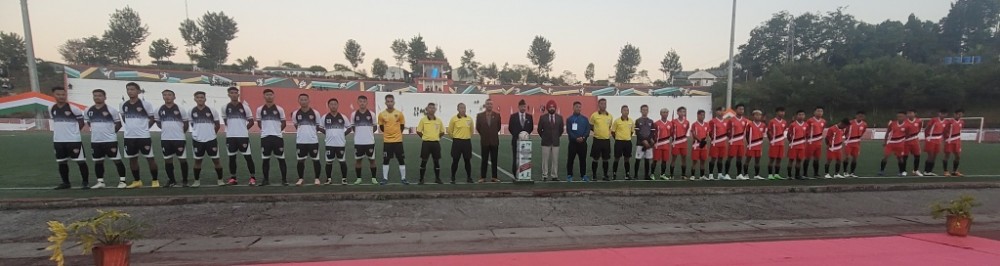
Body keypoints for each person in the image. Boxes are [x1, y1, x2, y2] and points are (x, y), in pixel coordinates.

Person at [86, 89, 128, 189]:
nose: (97, 97)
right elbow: (89, 123)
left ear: (105, 97)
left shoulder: (111, 110)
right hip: (95, 141)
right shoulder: (88, 110)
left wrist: (111, 133)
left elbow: (118, 124)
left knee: (117, 160)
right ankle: (100, 182)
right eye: (95, 95)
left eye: (99, 95)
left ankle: (122, 181)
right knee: (98, 161)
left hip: (110, 141)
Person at [50, 86, 89, 189]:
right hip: (58, 140)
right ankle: (66, 183)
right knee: (61, 162)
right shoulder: (51, 108)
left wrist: (74, 133)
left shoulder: (73, 108)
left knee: (80, 161)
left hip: (73, 140)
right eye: (58, 94)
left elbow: (81, 123)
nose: (61, 96)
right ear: (53, 95)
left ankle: (85, 182)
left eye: (63, 94)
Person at [120, 82, 158, 188]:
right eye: (128, 89)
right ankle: (137, 181)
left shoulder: (146, 104)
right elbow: (124, 118)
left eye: (132, 89)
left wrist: (145, 128)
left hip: (143, 137)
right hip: (129, 137)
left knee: (150, 158)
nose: (130, 91)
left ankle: (155, 180)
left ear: (138, 91)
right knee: (132, 159)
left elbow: (152, 118)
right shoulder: (123, 104)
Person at [222, 87, 257, 185]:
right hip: (230, 137)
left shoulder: (245, 107)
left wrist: (243, 129)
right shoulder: (224, 107)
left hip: (243, 137)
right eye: (231, 93)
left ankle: (252, 178)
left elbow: (251, 121)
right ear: (228, 95)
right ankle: (233, 178)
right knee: (232, 158)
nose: (234, 94)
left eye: (235, 93)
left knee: (248, 157)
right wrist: (232, 129)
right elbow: (225, 121)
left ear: (238, 94)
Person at [155, 90, 190, 187]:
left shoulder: (180, 109)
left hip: (179, 139)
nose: (167, 97)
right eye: (165, 95)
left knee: (182, 160)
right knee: (167, 160)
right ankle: (172, 180)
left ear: (174, 97)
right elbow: (158, 123)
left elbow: (186, 124)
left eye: (169, 95)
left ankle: (185, 180)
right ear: (163, 97)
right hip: (165, 139)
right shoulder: (158, 109)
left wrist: (180, 133)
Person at [189, 91, 225, 187]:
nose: (200, 99)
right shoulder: (191, 111)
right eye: (198, 97)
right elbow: (192, 124)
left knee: (216, 160)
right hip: (197, 140)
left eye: (202, 97)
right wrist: (198, 133)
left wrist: (212, 134)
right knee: (197, 161)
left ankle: (220, 180)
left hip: (211, 140)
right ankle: (196, 181)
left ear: (205, 99)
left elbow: (217, 125)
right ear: (195, 99)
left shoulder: (212, 110)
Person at [257, 89, 288, 186]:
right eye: (267, 95)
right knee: (265, 160)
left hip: (277, 138)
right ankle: (265, 180)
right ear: (264, 96)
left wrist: (277, 131)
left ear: (273, 96)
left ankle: (284, 180)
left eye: (271, 94)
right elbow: (259, 123)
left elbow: (284, 123)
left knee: (281, 159)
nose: (269, 96)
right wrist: (265, 130)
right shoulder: (260, 109)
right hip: (265, 138)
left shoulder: (279, 109)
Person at [291, 94, 323, 186]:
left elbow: (318, 126)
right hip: (301, 141)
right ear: (299, 101)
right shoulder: (295, 113)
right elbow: (296, 125)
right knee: (300, 160)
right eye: (301, 99)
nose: (303, 101)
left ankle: (317, 179)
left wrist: (311, 133)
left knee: (315, 160)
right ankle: (301, 179)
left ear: (309, 101)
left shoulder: (315, 113)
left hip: (313, 141)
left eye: (305, 99)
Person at [378, 94, 408, 185]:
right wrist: (388, 134)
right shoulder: (381, 114)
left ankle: (403, 178)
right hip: (387, 141)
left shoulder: (399, 114)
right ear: (385, 103)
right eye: (388, 101)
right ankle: (385, 178)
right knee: (386, 160)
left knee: (401, 160)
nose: (390, 103)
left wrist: (397, 135)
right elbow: (381, 127)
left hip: (398, 141)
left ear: (394, 102)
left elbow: (402, 126)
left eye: (391, 101)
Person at [323, 98, 351, 185]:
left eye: (335, 104)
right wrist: (327, 133)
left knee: (342, 161)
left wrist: (343, 135)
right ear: (328, 106)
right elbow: (319, 127)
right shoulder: (325, 117)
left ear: (338, 105)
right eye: (331, 104)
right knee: (329, 162)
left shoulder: (343, 117)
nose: (333, 106)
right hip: (329, 144)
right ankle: (328, 179)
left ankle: (344, 179)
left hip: (340, 144)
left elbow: (349, 128)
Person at [351, 95, 379, 184]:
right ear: (358, 102)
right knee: (358, 160)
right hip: (358, 142)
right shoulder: (354, 114)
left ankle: (374, 178)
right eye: (360, 101)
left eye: (364, 101)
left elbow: (375, 127)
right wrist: (360, 134)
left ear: (367, 103)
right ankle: (359, 178)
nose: (362, 103)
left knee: (372, 160)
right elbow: (353, 127)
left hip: (369, 142)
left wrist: (368, 133)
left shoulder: (372, 114)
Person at [416, 103, 445, 184]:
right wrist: (424, 137)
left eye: (433, 108)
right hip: (426, 144)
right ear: (427, 109)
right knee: (424, 161)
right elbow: (418, 131)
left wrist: (436, 137)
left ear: (435, 110)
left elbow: (442, 132)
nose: (431, 109)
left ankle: (437, 179)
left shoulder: (439, 120)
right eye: (430, 108)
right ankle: (421, 179)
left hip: (436, 144)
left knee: (436, 161)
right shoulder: (423, 120)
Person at [537, 100, 564, 182]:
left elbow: (561, 130)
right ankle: (544, 175)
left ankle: (554, 175)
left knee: (555, 160)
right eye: (550, 107)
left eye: (553, 107)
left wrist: (556, 136)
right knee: (545, 160)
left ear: (555, 108)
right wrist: (544, 136)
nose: (552, 108)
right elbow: (539, 129)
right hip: (545, 142)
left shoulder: (559, 118)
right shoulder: (542, 117)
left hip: (556, 142)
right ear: (547, 108)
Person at [476, 99, 502, 183]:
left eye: (491, 104)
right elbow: (478, 128)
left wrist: (492, 133)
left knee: (494, 160)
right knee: (484, 160)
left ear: (492, 105)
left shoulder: (497, 115)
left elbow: (498, 127)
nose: (489, 105)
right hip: (484, 141)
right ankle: (483, 177)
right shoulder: (480, 116)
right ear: (485, 105)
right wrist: (485, 134)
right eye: (488, 104)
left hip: (494, 141)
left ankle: (494, 177)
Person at [448, 103, 474, 184]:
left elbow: (471, 131)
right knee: (455, 160)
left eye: (464, 108)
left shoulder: (469, 119)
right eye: (461, 108)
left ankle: (469, 177)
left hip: (467, 142)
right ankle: (453, 178)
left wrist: (467, 137)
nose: (463, 109)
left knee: (467, 161)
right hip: (457, 142)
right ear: (458, 109)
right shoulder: (454, 119)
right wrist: (455, 138)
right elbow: (450, 131)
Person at [508, 99, 534, 178]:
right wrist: (518, 135)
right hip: (515, 141)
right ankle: (515, 174)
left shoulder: (529, 117)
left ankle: (524, 174)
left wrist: (525, 135)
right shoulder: (513, 116)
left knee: (525, 158)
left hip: (526, 143)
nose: (523, 108)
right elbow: (510, 128)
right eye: (522, 106)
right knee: (515, 158)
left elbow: (531, 128)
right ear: (519, 107)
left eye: (524, 106)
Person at [565, 101, 590, 182]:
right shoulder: (569, 119)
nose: (578, 108)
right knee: (570, 160)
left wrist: (583, 137)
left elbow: (587, 130)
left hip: (583, 143)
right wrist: (576, 138)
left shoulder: (585, 119)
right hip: (573, 143)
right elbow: (569, 131)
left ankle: (583, 175)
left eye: (579, 107)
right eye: (576, 107)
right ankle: (569, 175)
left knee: (583, 160)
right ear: (573, 108)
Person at [589, 99, 614, 181]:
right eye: (601, 104)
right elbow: (591, 126)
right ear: (598, 105)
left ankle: (605, 175)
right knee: (595, 158)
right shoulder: (594, 115)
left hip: (606, 140)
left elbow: (609, 126)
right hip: (597, 140)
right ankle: (594, 176)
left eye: (604, 104)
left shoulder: (610, 116)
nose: (603, 105)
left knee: (605, 159)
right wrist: (597, 131)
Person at [879, 112, 908, 177]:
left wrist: (904, 141)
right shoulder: (892, 123)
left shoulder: (907, 125)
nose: (899, 118)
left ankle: (901, 171)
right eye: (898, 116)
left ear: (905, 117)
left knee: (900, 158)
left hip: (900, 143)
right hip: (891, 143)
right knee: (885, 156)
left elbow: (907, 134)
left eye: (901, 116)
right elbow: (887, 132)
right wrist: (885, 141)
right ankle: (881, 170)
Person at [726, 104, 749, 180]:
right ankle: (726, 174)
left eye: (742, 109)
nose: (741, 111)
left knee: (739, 158)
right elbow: (727, 131)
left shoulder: (745, 120)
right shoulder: (731, 120)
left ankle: (739, 174)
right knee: (730, 157)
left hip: (741, 142)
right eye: (740, 109)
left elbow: (744, 131)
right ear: (736, 110)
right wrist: (731, 139)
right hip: (733, 142)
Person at [611, 105, 634, 180]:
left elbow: (631, 132)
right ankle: (614, 174)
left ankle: (627, 174)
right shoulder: (617, 121)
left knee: (627, 159)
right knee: (616, 158)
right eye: (624, 110)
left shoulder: (631, 121)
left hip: (628, 142)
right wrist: (618, 139)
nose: (626, 112)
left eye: (627, 110)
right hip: (619, 142)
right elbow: (613, 132)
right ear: (621, 111)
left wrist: (627, 138)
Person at [633, 105, 656, 180]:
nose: (645, 111)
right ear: (641, 111)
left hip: (648, 144)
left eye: (646, 110)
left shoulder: (651, 121)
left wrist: (647, 141)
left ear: (648, 111)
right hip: (640, 144)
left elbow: (652, 133)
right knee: (638, 159)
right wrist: (643, 141)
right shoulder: (637, 120)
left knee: (647, 160)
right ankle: (635, 175)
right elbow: (637, 132)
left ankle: (646, 175)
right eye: (643, 110)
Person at [922, 109, 947, 176]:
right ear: (939, 113)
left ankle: (930, 171)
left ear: (946, 114)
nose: (942, 115)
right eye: (941, 113)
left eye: (944, 114)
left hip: (938, 140)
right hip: (931, 139)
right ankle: (926, 171)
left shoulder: (945, 122)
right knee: (930, 155)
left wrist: (944, 139)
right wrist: (926, 137)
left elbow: (943, 131)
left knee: (934, 156)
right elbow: (926, 129)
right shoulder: (934, 120)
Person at [804, 106, 826, 178]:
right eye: (818, 111)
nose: (820, 113)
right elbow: (806, 130)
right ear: (814, 112)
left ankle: (816, 173)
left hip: (818, 143)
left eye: (821, 111)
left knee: (817, 159)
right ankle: (805, 174)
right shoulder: (810, 120)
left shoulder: (823, 121)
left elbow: (822, 130)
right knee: (807, 158)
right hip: (811, 142)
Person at [844, 111, 867, 177]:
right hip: (848, 142)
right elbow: (846, 131)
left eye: (862, 116)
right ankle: (845, 172)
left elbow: (862, 132)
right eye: (859, 116)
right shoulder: (850, 122)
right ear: (856, 116)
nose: (860, 117)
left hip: (857, 143)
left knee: (855, 158)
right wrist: (846, 138)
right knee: (847, 157)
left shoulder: (864, 124)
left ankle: (852, 173)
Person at [767, 107, 788, 180]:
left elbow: (783, 131)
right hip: (774, 143)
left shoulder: (784, 122)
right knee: (772, 159)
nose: (782, 113)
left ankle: (776, 174)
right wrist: (771, 140)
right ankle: (770, 175)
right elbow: (768, 131)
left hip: (781, 143)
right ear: (777, 112)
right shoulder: (772, 121)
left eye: (783, 112)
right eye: (780, 111)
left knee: (779, 159)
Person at [745, 110, 766, 180]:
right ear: (753, 116)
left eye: (759, 115)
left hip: (759, 146)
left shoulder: (763, 125)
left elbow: (762, 135)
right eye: (756, 115)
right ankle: (745, 174)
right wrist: (749, 143)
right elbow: (747, 135)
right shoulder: (750, 125)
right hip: (751, 145)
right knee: (747, 160)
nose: (758, 116)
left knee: (757, 161)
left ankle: (756, 175)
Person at [787, 110, 809, 179]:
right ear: (796, 116)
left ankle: (797, 175)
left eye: (803, 115)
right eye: (799, 115)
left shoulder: (806, 125)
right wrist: (791, 142)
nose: (801, 116)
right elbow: (788, 135)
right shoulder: (792, 125)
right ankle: (789, 175)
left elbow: (807, 135)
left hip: (802, 146)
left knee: (799, 160)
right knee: (791, 160)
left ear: (804, 116)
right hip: (793, 146)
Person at [709, 107, 729, 180]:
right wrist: (714, 139)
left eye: (723, 111)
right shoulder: (712, 121)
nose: (722, 112)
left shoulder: (726, 121)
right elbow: (710, 132)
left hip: (723, 143)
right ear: (716, 112)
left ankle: (719, 174)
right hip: (715, 143)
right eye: (720, 111)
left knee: (721, 158)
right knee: (713, 158)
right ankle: (711, 175)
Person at [652, 108, 673, 180]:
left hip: (666, 145)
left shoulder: (670, 123)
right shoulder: (656, 123)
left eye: (666, 112)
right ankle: (652, 174)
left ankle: (662, 174)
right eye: (663, 112)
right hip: (658, 145)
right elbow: (653, 134)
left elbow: (671, 134)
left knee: (664, 160)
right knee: (655, 160)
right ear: (660, 113)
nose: (665, 114)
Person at [943, 109, 964, 177]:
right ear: (955, 114)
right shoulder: (950, 122)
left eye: (961, 114)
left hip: (957, 141)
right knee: (947, 156)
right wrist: (946, 139)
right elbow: (945, 131)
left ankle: (954, 171)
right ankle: (945, 171)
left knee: (958, 156)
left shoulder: (962, 122)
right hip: (950, 141)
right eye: (958, 114)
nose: (959, 116)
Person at [671, 107, 691, 179]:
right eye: (681, 112)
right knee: (674, 158)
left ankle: (683, 175)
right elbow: (671, 132)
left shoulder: (687, 122)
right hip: (676, 142)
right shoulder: (673, 122)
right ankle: (671, 175)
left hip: (684, 142)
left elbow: (686, 130)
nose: (682, 113)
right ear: (678, 112)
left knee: (684, 158)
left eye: (684, 112)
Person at [690, 110, 710, 180]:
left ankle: (702, 176)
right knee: (695, 161)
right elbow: (693, 134)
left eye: (703, 115)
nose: (702, 116)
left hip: (704, 145)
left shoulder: (707, 124)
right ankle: (692, 176)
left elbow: (707, 134)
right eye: (701, 115)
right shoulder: (694, 124)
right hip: (696, 145)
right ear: (698, 115)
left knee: (703, 161)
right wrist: (700, 140)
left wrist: (705, 140)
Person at [904, 110, 923, 176]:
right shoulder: (904, 122)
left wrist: (914, 134)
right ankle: (903, 171)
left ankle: (915, 170)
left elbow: (919, 128)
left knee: (917, 155)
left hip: (915, 140)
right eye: (908, 113)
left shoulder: (919, 121)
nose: (909, 114)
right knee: (905, 156)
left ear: (915, 114)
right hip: (906, 141)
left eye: (911, 113)